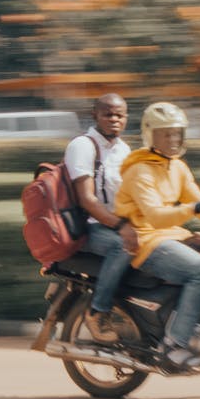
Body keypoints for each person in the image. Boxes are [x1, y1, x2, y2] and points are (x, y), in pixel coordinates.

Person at [114, 102, 200, 370]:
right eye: (166, 134)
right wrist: (194, 208)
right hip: (146, 240)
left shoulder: (177, 166)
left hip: (173, 236)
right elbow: (155, 216)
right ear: (150, 135)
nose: (173, 139)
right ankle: (175, 345)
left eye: (177, 133)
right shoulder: (139, 171)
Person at [66, 93, 135, 343]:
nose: (114, 119)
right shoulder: (83, 146)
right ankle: (98, 312)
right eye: (108, 114)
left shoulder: (123, 149)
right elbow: (87, 200)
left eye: (120, 115)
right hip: (90, 228)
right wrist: (122, 227)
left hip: (115, 223)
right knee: (123, 246)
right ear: (95, 115)